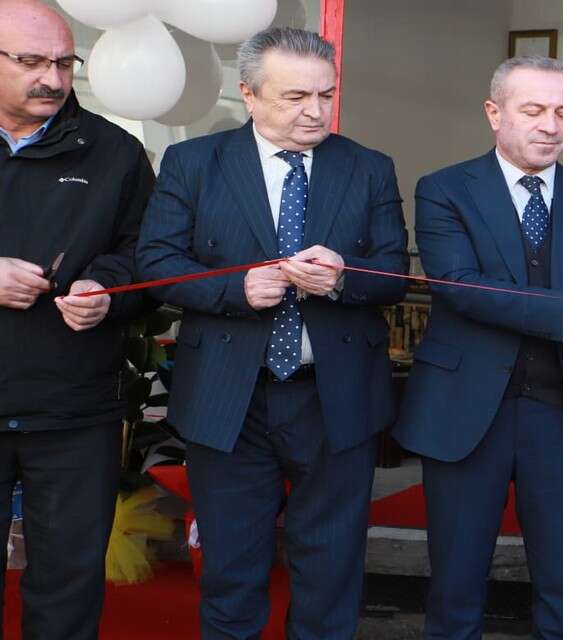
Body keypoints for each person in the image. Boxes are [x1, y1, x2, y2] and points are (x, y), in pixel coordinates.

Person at [135, 27, 408, 639]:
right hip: (228, 394)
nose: (315, 111)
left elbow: (394, 272)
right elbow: (156, 262)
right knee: (231, 571)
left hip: (334, 394)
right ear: (249, 94)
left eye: (326, 95)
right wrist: (233, 290)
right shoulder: (194, 163)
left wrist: (342, 278)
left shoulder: (368, 167)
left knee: (331, 570)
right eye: (295, 97)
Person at [392, 56, 563, 640]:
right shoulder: (445, 190)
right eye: (534, 110)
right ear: (494, 113)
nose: (551, 126)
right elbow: (459, 286)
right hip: (465, 411)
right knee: (455, 589)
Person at [0, 2, 155, 636]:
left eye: (65, 63)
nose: (53, 78)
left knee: (67, 587)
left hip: (74, 410)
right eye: (31, 61)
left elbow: (146, 256)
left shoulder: (115, 152)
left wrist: (107, 290)